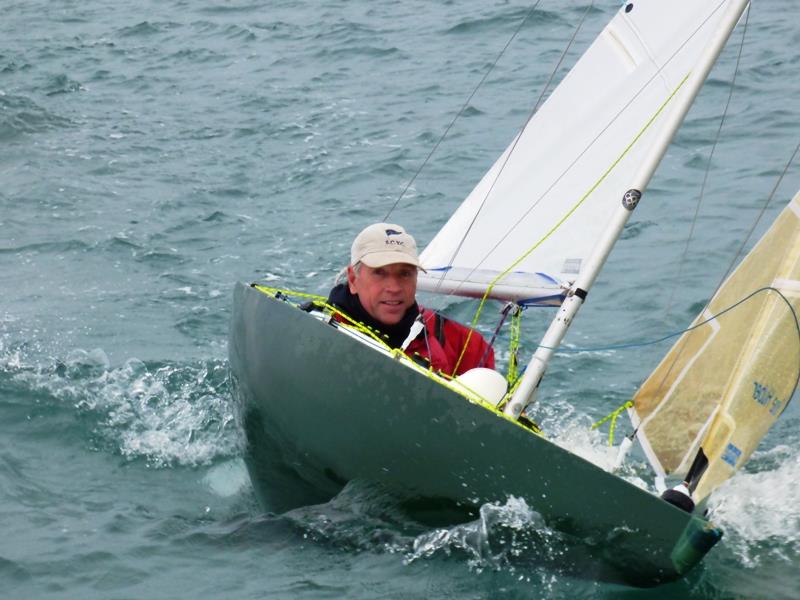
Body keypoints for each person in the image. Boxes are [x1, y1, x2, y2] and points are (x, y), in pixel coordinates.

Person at [327, 222, 494, 377]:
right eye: (379, 272)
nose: (394, 288)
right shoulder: (319, 336)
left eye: (405, 274)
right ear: (353, 279)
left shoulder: (467, 346)